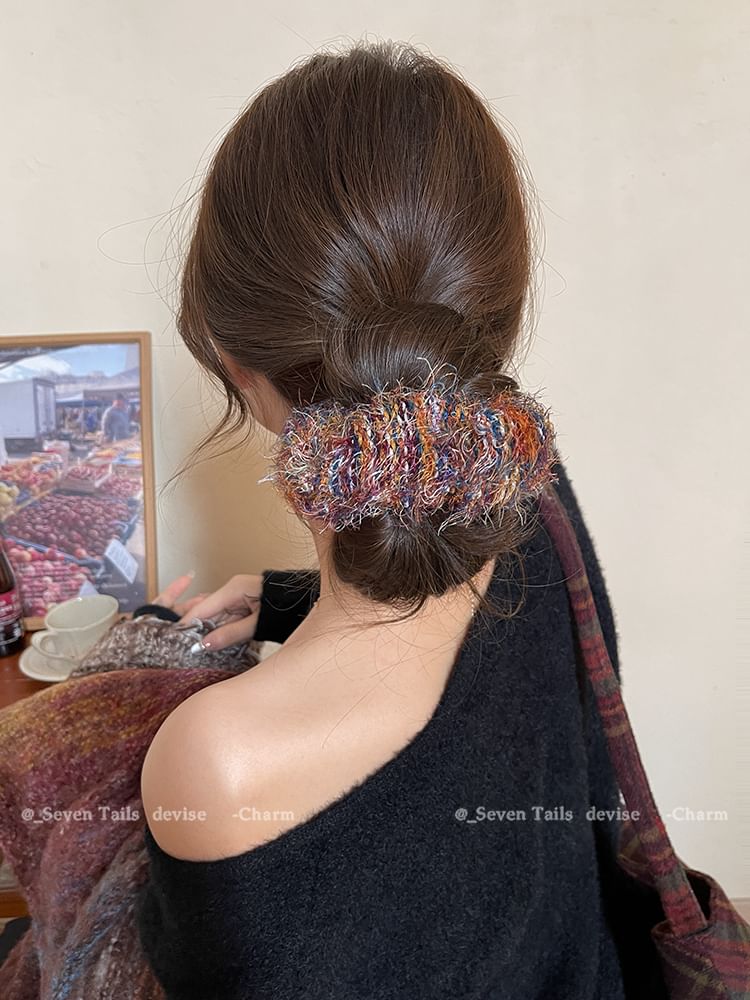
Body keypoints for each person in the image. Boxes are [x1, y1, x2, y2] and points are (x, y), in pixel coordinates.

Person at [136, 40, 632, 1000]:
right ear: (493, 325)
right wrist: (288, 601)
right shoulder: (526, 486)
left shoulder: (219, 761)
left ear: (234, 361)